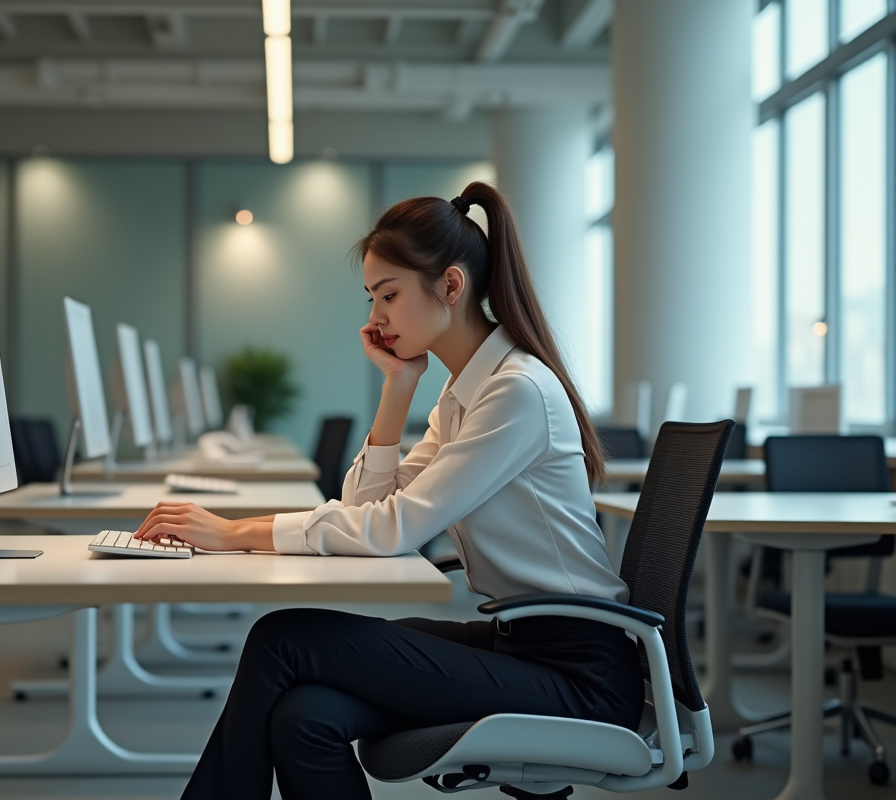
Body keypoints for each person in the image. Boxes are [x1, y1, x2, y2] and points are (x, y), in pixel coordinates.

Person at [134, 181, 642, 800]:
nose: (375, 319)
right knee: (305, 717)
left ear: (450, 287)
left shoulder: (515, 393)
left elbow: (396, 529)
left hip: (576, 673)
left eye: (389, 296)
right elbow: (365, 512)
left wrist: (235, 531)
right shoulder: (463, 396)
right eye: (374, 298)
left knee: (283, 637)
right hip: (522, 642)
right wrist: (398, 386)